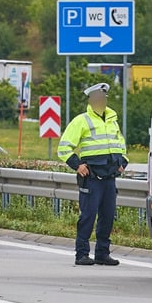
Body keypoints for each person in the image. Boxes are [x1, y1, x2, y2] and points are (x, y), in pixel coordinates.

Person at [58, 82, 127, 266]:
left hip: (109, 178)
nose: (101, 101)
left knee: (108, 216)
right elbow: (63, 147)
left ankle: (102, 253)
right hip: (91, 178)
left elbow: (121, 143)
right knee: (88, 216)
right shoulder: (81, 120)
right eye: (98, 98)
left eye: (104, 98)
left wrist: (123, 162)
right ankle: (81, 254)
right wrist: (77, 165)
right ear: (91, 100)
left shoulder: (112, 120)